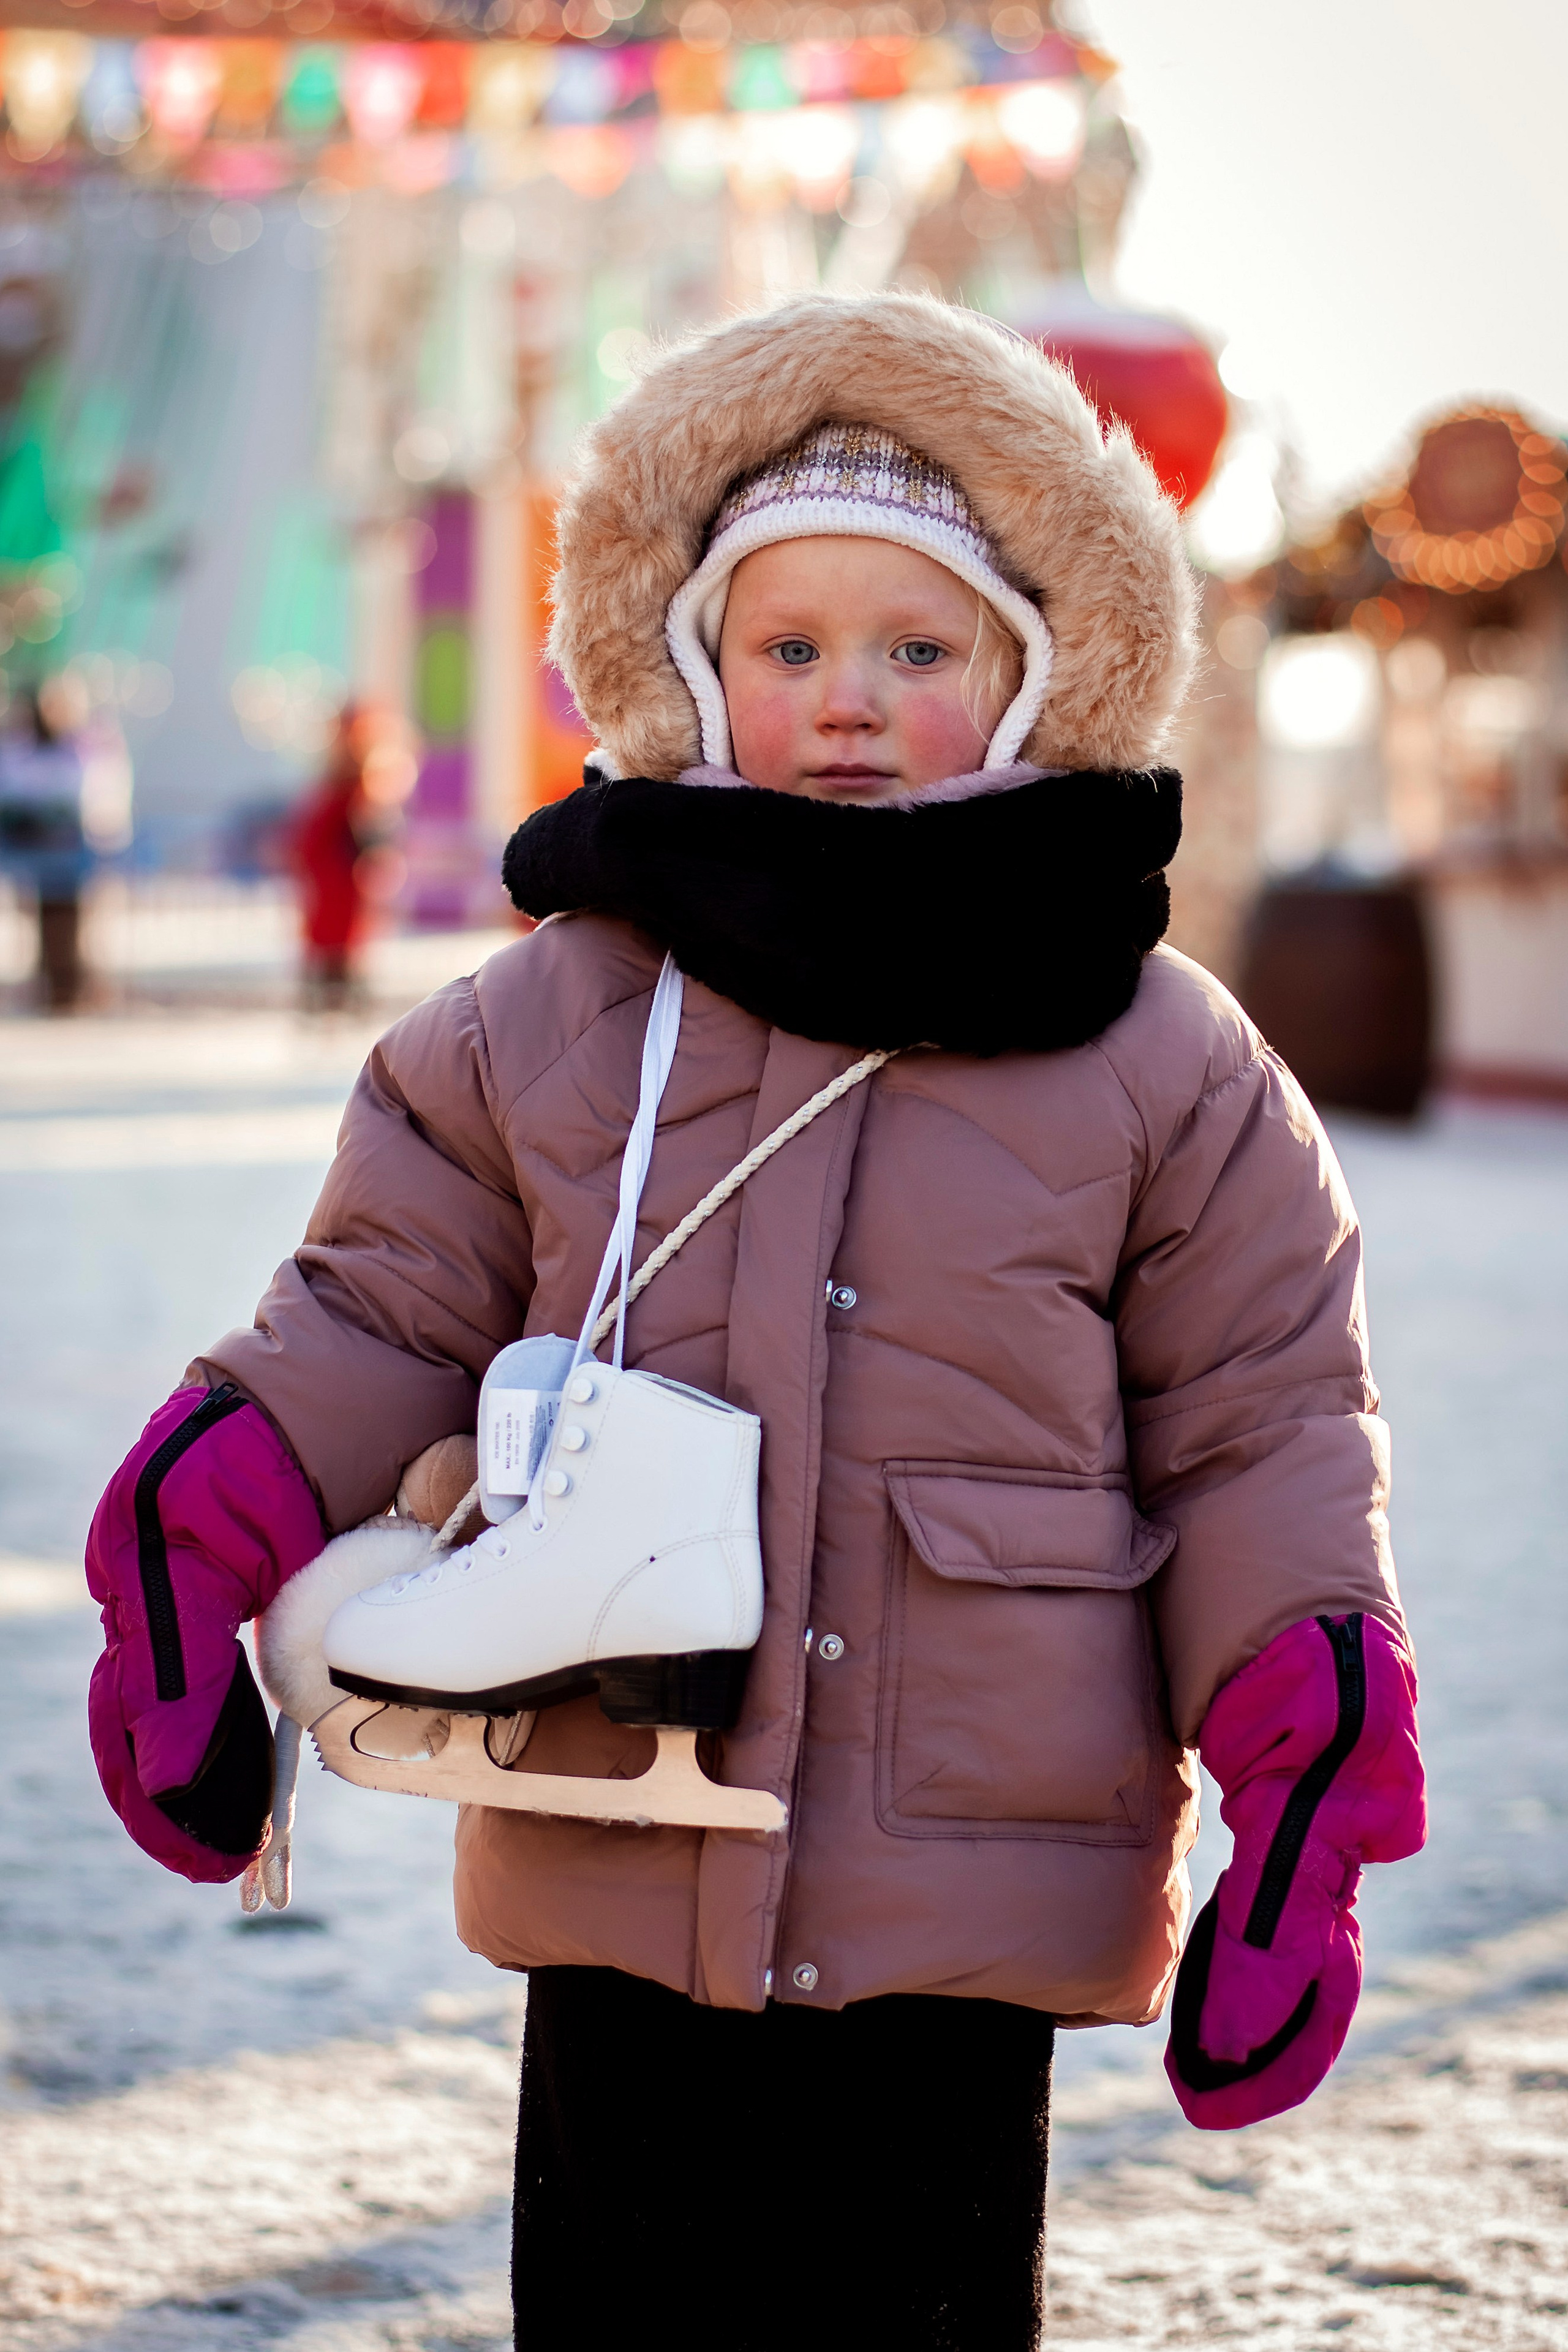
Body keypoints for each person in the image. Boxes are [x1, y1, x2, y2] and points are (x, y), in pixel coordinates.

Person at [83, 295, 1426, 2348]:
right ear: (700, 669)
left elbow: (1265, 1425)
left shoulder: (1168, 1061)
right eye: (791, 647)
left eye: (921, 648)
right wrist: (214, 1521)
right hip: (629, 1806)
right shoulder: (566, 1007)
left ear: (1035, 670)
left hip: (970, 1864)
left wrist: (1300, 1774)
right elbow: (384, 1295)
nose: (853, 700)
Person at [0, 680, 92, 1009]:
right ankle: (49, 986)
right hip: (31, 845)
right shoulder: (19, 749)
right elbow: (13, 791)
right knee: (40, 915)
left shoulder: (74, 748)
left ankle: (67, 988)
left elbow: (75, 794)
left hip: (66, 849)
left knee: (66, 919)